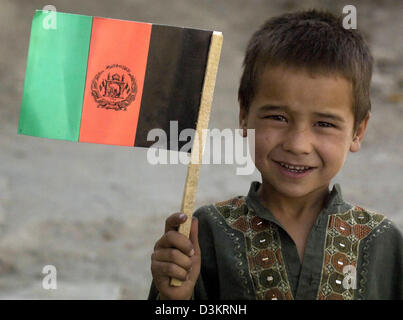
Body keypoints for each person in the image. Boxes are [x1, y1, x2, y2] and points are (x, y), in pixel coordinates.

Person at [148, 9, 403, 300]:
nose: (298, 144)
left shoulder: (382, 241)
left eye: (324, 124)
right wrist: (174, 297)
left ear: (358, 131)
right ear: (244, 116)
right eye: (278, 118)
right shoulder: (206, 233)